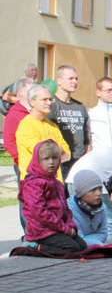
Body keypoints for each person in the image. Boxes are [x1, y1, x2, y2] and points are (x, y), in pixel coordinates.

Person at [64, 145, 112, 239]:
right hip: (91, 184)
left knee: (81, 218)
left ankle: (83, 246)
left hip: (72, 179)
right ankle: (108, 248)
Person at [19, 140, 85, 252]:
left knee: (82, 246)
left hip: (57, 227)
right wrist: (64, 229)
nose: (51, 162)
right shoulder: (34, 184)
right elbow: (39, 212)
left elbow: (65, 208)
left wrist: (70, 224)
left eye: (55, 158)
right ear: (38, 161)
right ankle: (35, 246)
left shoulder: (56, 183)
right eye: (46, 159)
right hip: (41, 230)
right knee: (71, 247)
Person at [16, 85, 71, 181]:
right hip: (35, 184)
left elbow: (67, 154)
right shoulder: (26, 125)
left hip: (55, 183)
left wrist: (54, 149)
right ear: (32, 102)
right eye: (44, 99)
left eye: (50, 99)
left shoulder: (52, 126)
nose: (49, 103)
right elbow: (41, 152)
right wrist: (57, 150)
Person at [47, 65, 90, 177]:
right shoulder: (50, 105)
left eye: (76, 79)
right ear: (59, 81)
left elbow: (86, 138)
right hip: (60, 162)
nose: (74, 82)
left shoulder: (80, 107)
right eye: (70, 79)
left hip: (78, 161)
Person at [3, 77, 35, 214]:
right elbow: (9, 142)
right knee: (27, 199)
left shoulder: (36, 112)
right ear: (21, 92)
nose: (35, 91)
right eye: (31, 88)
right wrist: (23, 159)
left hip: (41, 163)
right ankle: (27, 233)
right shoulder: (14, 114)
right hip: (24, 164)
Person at [67, 170, 108, 246]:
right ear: (81, 193)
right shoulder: (70, 211)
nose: (98, 193)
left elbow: (103, 234)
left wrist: (87, 240)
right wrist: (98, 243)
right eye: (93, 190)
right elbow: (79, 240)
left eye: (100, 188)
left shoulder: (102, 208)